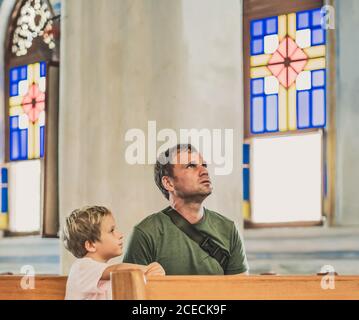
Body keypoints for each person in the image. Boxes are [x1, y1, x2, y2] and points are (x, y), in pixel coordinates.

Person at [123, 144, 249, 275]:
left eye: (204, 165)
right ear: (168, 183)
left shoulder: (228, 229)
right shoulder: (146, 233)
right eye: (191, 166)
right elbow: (129, 292)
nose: (204, 171)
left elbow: (241, 290)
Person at [62, 205, 165, 300]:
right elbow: (117, 269)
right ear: (91, 245)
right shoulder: (81, 268)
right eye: (111, 231)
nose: (120, 235)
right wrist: (146, 269)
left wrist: (148, 276)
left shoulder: (103, 276)